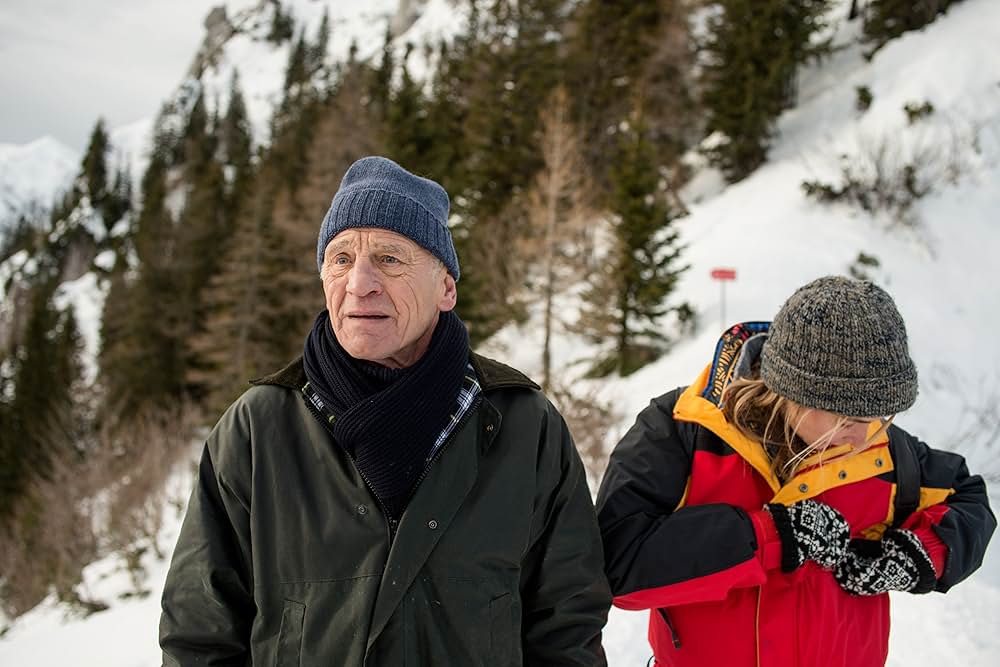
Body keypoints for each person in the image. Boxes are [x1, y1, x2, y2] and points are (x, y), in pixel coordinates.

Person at [159, 156, 611, 666]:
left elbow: (567, 631)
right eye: (341, 259)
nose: (360, 283)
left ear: (446, 287)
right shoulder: (257, 429)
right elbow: (199, 637)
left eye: (390, 259)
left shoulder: (523, 427)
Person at [596, 276, 996, 667]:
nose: (862, 440)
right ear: (793, 392)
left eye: (879, 418)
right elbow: (618, 564)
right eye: (847, 420)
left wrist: (921, 555)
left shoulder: (885, 450)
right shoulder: (682, 431)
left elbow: (969, 501)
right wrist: (768, 536)